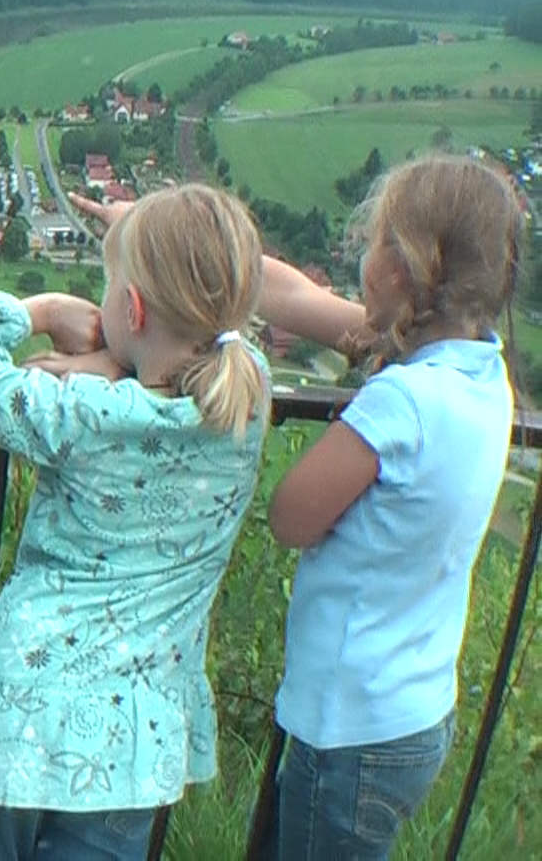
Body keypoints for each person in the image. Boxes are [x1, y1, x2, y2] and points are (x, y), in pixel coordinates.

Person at [0, 184, 271, 860]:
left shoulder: (79, 415)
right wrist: (119, 357)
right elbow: (198, 322)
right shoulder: (252, 391)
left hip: (19, 717)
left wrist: (37, 311)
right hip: (130, 746)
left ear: (130, 308)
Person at [194, 154, 518, 860]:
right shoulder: (481, 374)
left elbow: (291, 516)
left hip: (349, 732)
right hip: (411, 715)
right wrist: (176, 234)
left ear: (401, 269)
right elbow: (291, 295)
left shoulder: (401, 402)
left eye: (372, 241)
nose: (357, 255)